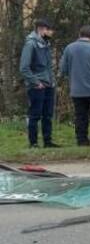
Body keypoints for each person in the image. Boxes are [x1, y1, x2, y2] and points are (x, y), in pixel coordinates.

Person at [19, 18, 59, 148]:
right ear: (41, 29)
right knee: (35, 115)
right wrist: (36, 82)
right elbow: (24, 68)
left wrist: (52, 82)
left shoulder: (46, 43)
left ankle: (48, 142)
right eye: (49, 30)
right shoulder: (31, 44)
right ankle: (33, 143)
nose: (52, 33)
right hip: (37, 86)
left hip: (48, 84)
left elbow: (48, 67)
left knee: (48, 115)